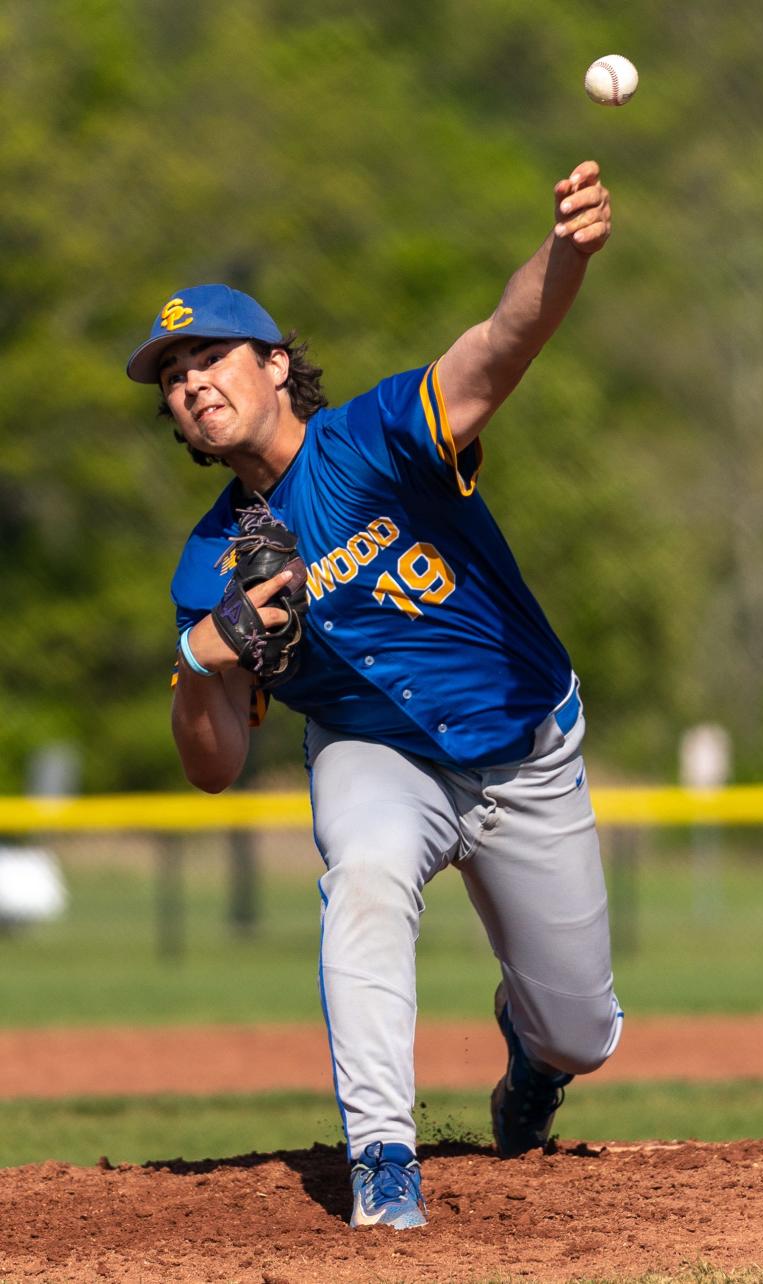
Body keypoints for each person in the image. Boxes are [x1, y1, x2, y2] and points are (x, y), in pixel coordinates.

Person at [126, 160, 623, 1230]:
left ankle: (532, 1059)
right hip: (374, 758)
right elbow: (211, 770)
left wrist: (567, 252)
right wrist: (206, 656)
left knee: (581, 1029)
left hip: (525, 743)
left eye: (208, 356)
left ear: (273, 363)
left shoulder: (377, 439)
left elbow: (500, 344)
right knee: (364, 874)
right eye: (172, 378)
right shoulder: (206, 565)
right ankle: (384, 1160)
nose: (191, 383)